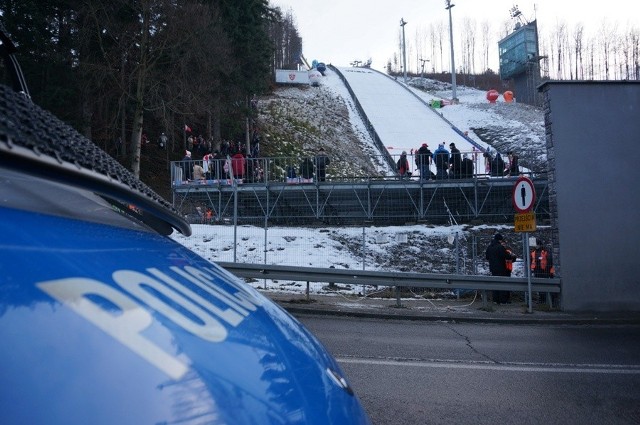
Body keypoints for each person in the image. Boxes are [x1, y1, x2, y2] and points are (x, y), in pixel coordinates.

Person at [485, 233, 517, 304]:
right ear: (500, 240)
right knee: (502, 284)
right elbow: (507, 256)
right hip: (502, 268)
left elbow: (487, 257)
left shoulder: (489, 247)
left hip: (493, 268)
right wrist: (513, 256)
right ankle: (503, 300)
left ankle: (495, 300)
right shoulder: (500, 247)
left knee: (495, 284)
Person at [530, 240, 556, 305]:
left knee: (544, 286)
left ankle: (546, 300)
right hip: (537, 271)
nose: (536, 246)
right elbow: (531, 260)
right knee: (539, 286)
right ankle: (542, 300)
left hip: (544, 271)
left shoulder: (545, 251)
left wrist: (548, 270)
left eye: (537, 244)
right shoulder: (533, 252)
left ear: (540, 245)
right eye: (535, 245)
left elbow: (549, 260)